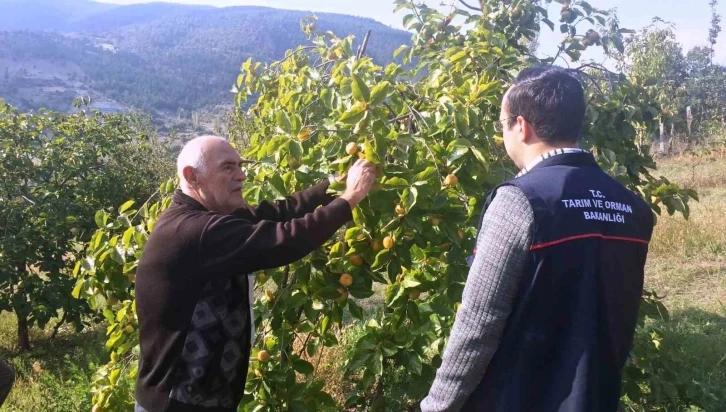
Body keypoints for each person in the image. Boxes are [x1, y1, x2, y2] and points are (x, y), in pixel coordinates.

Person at [421, 67, 654, 412]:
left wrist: (437, 406)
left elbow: (478, 322)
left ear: (521, 126)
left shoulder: (520, 202)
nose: (503, 133)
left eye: (502, 123)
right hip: (597, 397)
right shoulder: (631, 206)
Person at [134, 135, 376, 412]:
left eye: (240, 165)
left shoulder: (210, 218)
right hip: (178, 402)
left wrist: (333, 184)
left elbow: (278, 212)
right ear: (193, 176)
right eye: (228, 167)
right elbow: (285, 240)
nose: (242, 175)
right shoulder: (194, 231)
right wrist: (351, 197)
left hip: (200, 399)